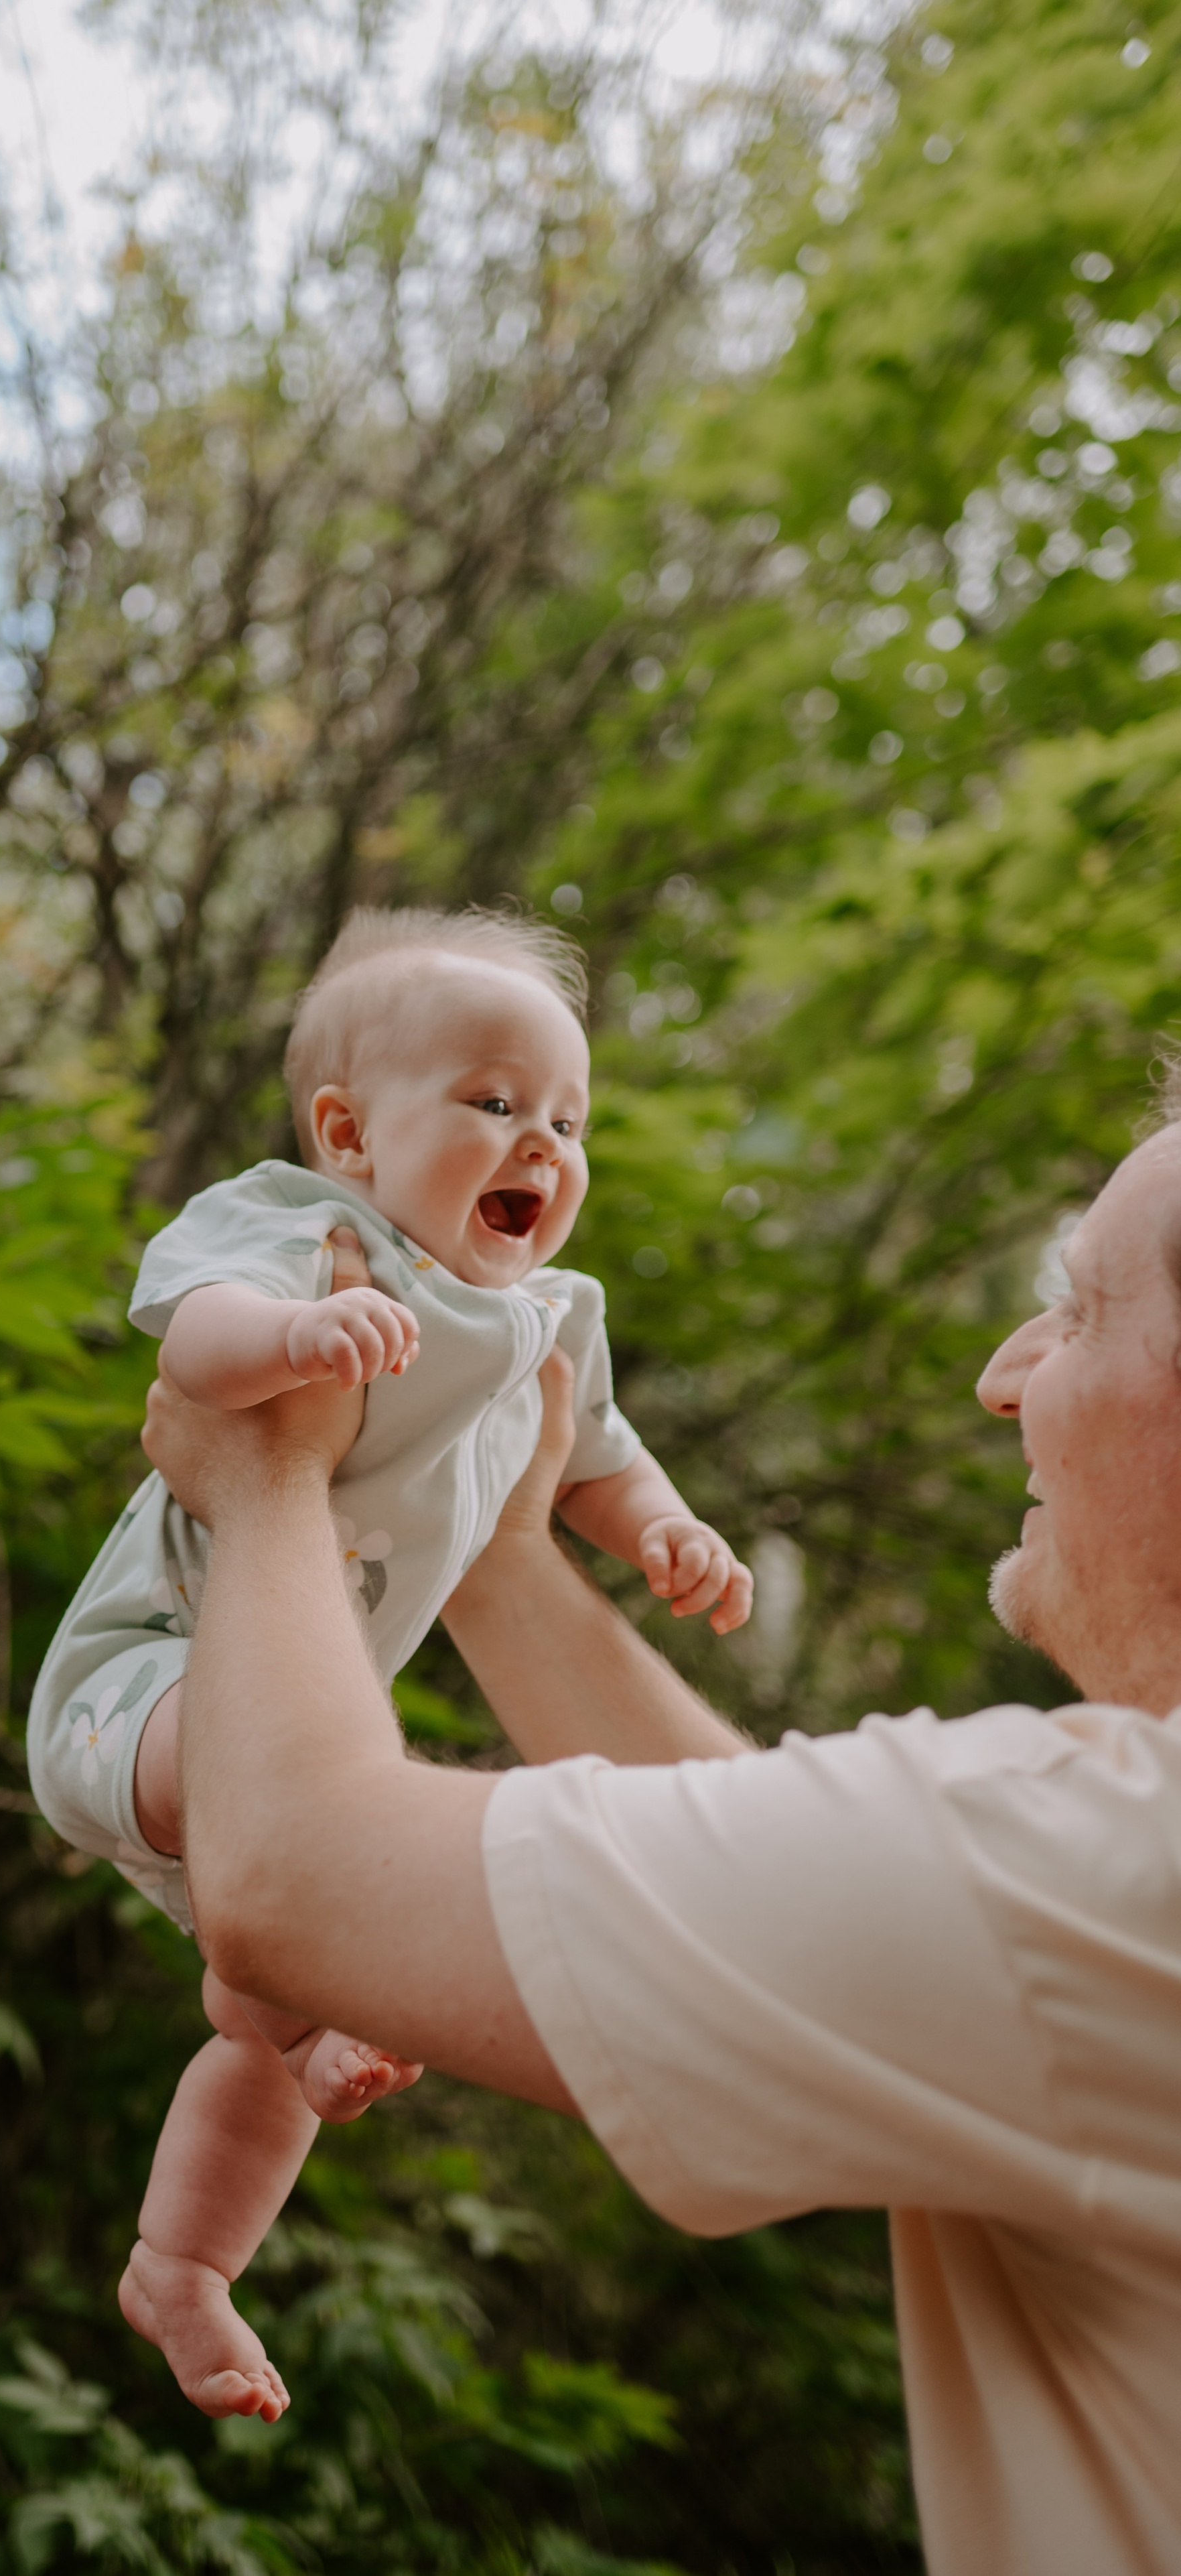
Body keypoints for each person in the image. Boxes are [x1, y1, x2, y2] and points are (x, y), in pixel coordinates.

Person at [141, 1087, 1181, 2576]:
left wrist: (265, 1478)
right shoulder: (1090, 1895)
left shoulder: (1099, 1869)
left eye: (1076, 1314)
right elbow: (848, 1910)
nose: (1002, 1376)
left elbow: (290, 1877)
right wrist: (500, 1564)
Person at [26, 905, 750, 2422]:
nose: (537, 1143)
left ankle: (185, 2260)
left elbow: (594, 1465)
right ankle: (263, 1932)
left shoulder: (552, 1314)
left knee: (296, 2000)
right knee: (296, 1914)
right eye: (493, 1102)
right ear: (348, 1130)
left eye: (566, 1119)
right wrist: (298, 1332)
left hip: (281, 1731)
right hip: (145, 1676)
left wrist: (667, 1530)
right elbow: (192, 1351)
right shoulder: (299, 1227)